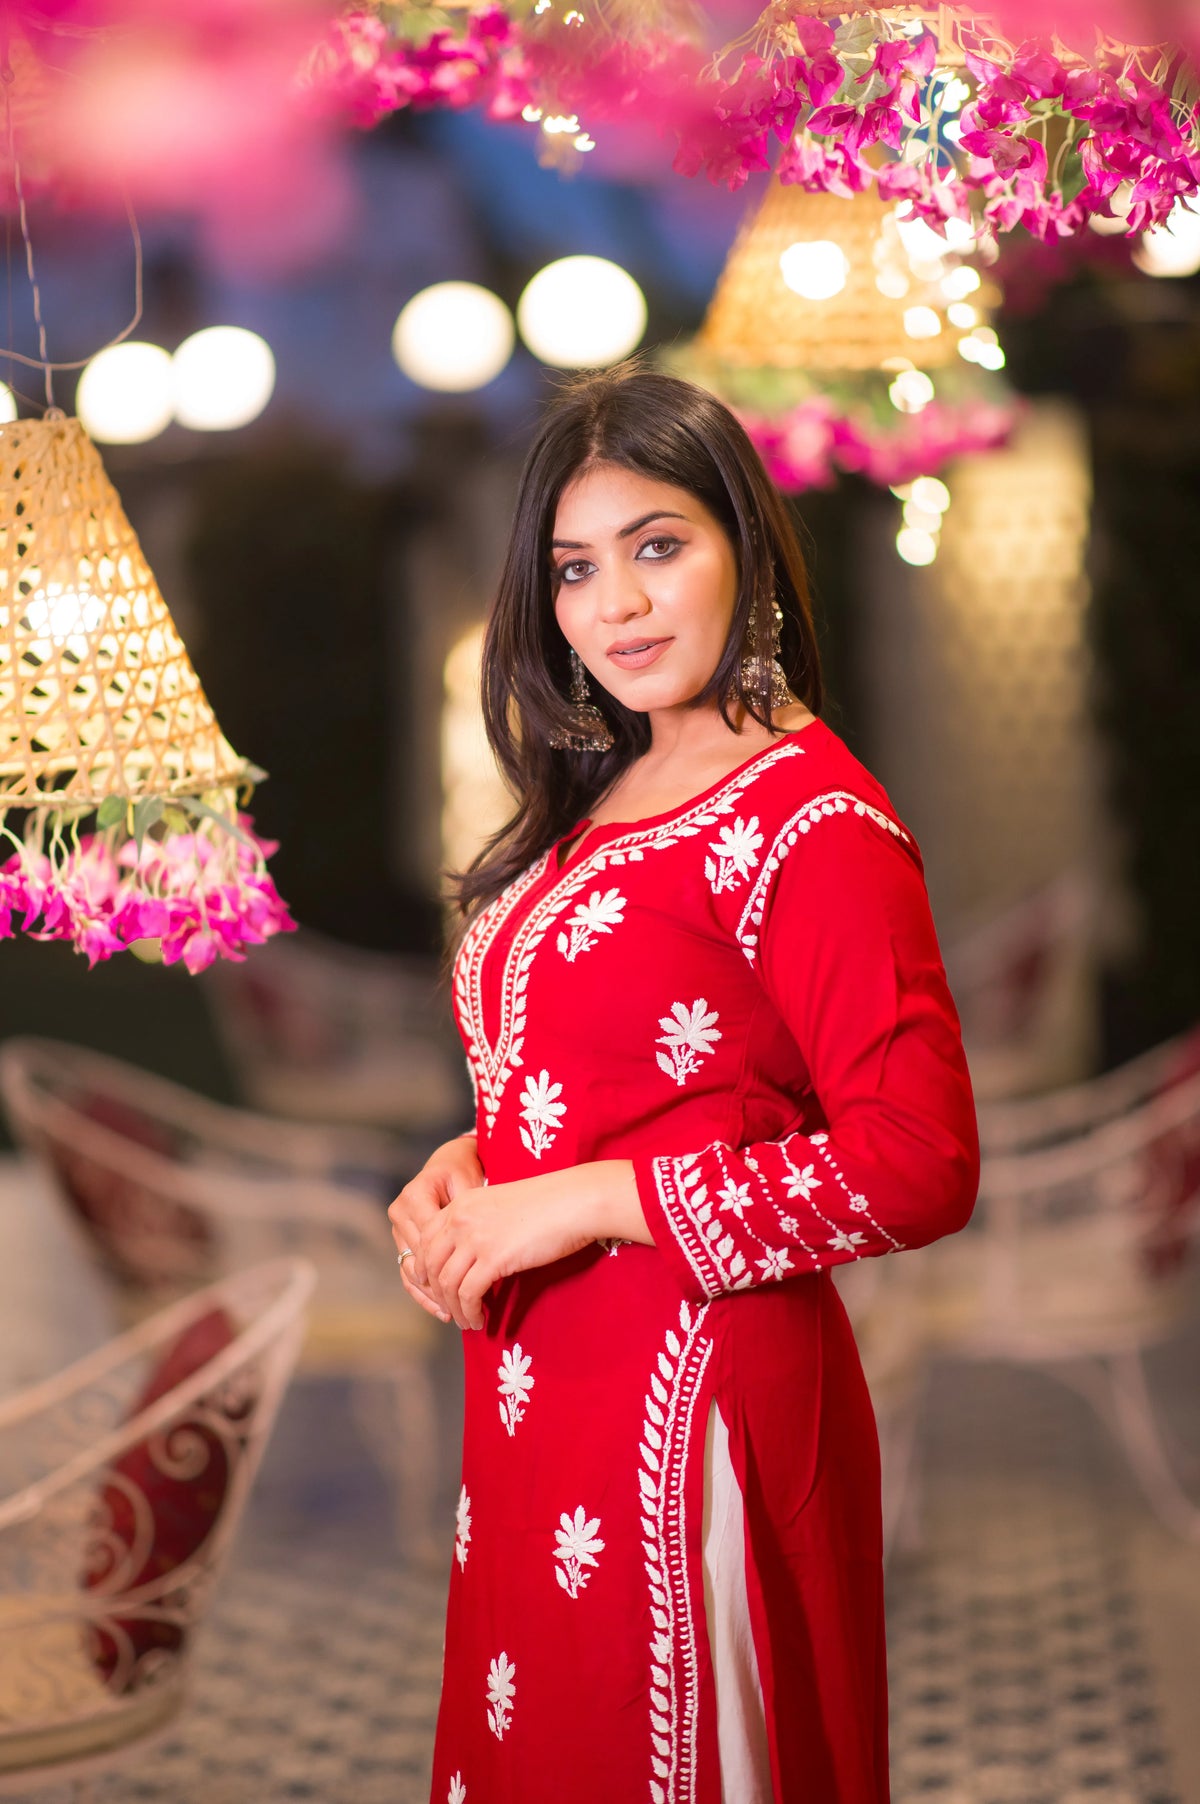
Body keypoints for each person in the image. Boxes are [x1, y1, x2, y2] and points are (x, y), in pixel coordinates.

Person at [388, 366, 979, 1804]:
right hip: (540, 1401)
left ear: (746, 549)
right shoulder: (606, 794)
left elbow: (919, 1160)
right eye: (576, 570)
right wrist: (476, 1160)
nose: (619, 605)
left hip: (688, 1406)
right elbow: (639, 1061)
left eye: (658, 546)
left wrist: (585, 1197)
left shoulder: (810, 817)